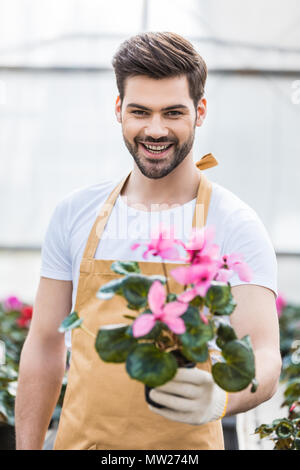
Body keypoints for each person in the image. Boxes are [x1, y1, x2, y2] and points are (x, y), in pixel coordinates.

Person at [15, 31, 282, 450]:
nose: (155, 130)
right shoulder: (75, 212)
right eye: (141, 111)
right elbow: (46, 342)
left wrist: (222, 397)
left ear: (200, 111)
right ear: (119, 110)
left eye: (173, 112)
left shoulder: (235, 222)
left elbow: (265, 354)